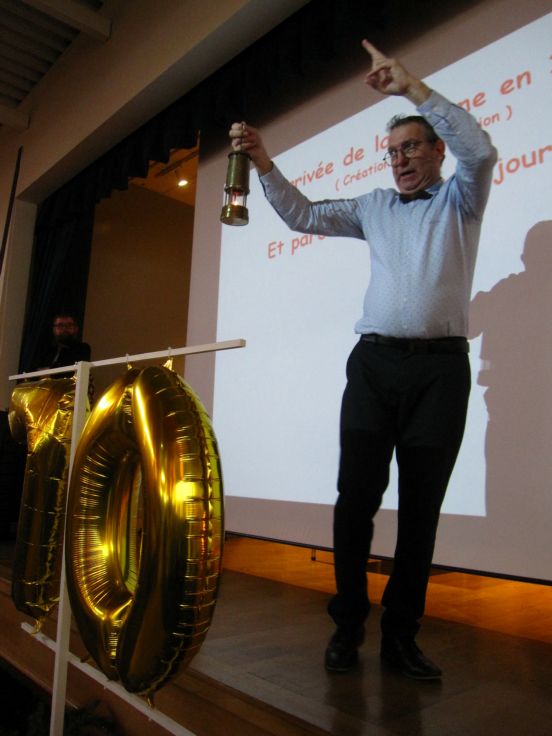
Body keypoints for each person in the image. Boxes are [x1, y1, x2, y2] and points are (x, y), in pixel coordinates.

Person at [229, 40, 497, 679]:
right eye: (393, 151)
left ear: (437, 151)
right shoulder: (374, 206)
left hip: (439, 373)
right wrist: (262, 160)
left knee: (421, 514)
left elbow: (482, 151)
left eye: (412, 147)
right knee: (354, 502)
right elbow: (302, 215)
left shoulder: (462, 199)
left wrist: (413, 89)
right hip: (373, 369)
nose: (400, 159)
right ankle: (347, 626)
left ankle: (401, 638)